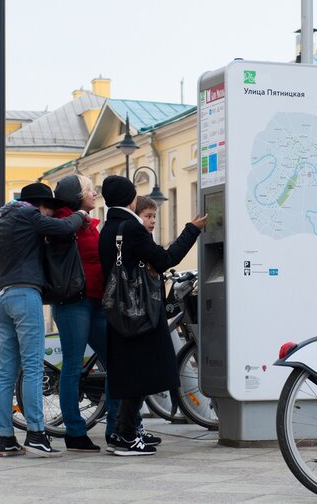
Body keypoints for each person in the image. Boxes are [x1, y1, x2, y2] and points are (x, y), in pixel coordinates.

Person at [99, 175, 207, 456]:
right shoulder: (131, 229)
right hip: (140, 312)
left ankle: (126, 431)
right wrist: (191, 230)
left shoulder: (107, 228)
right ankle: (124, 435)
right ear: (131, 199)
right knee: (142, 371)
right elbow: (165, 260)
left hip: (119, 312)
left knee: (134, 371)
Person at [0, 182, 90, 458]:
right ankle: (36, 432)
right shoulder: (29, 214)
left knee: (8, 369)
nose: (49, 216)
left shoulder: (2, 221)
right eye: (49, 210)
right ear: (41, 205)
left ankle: (6, 439)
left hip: (1, 295)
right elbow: (63, 228)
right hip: (24, 293)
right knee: (33, 365)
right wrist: (80, 215)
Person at [49, 174, 105, 452]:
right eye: (89, 190)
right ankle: (74, 431)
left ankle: (120, 424)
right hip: (73, 304)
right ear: (77, 196)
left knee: (117, 360)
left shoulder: (85, 223)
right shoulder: (65, 223)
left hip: (96, 301)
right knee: (73, 367)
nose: (95, 193)